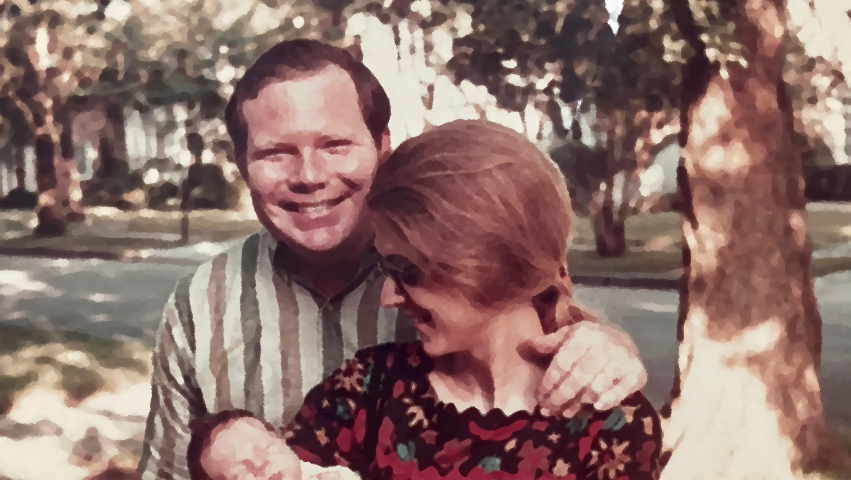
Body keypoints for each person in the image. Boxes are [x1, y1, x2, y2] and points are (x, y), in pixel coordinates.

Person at [137, 39, 649, 480]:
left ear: (383, 146)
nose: (309, 175)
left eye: (336, 144)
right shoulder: (203, 308)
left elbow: (525, 281)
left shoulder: (590, 402)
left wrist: (602, 344)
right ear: (243, 165)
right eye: (275, 153)